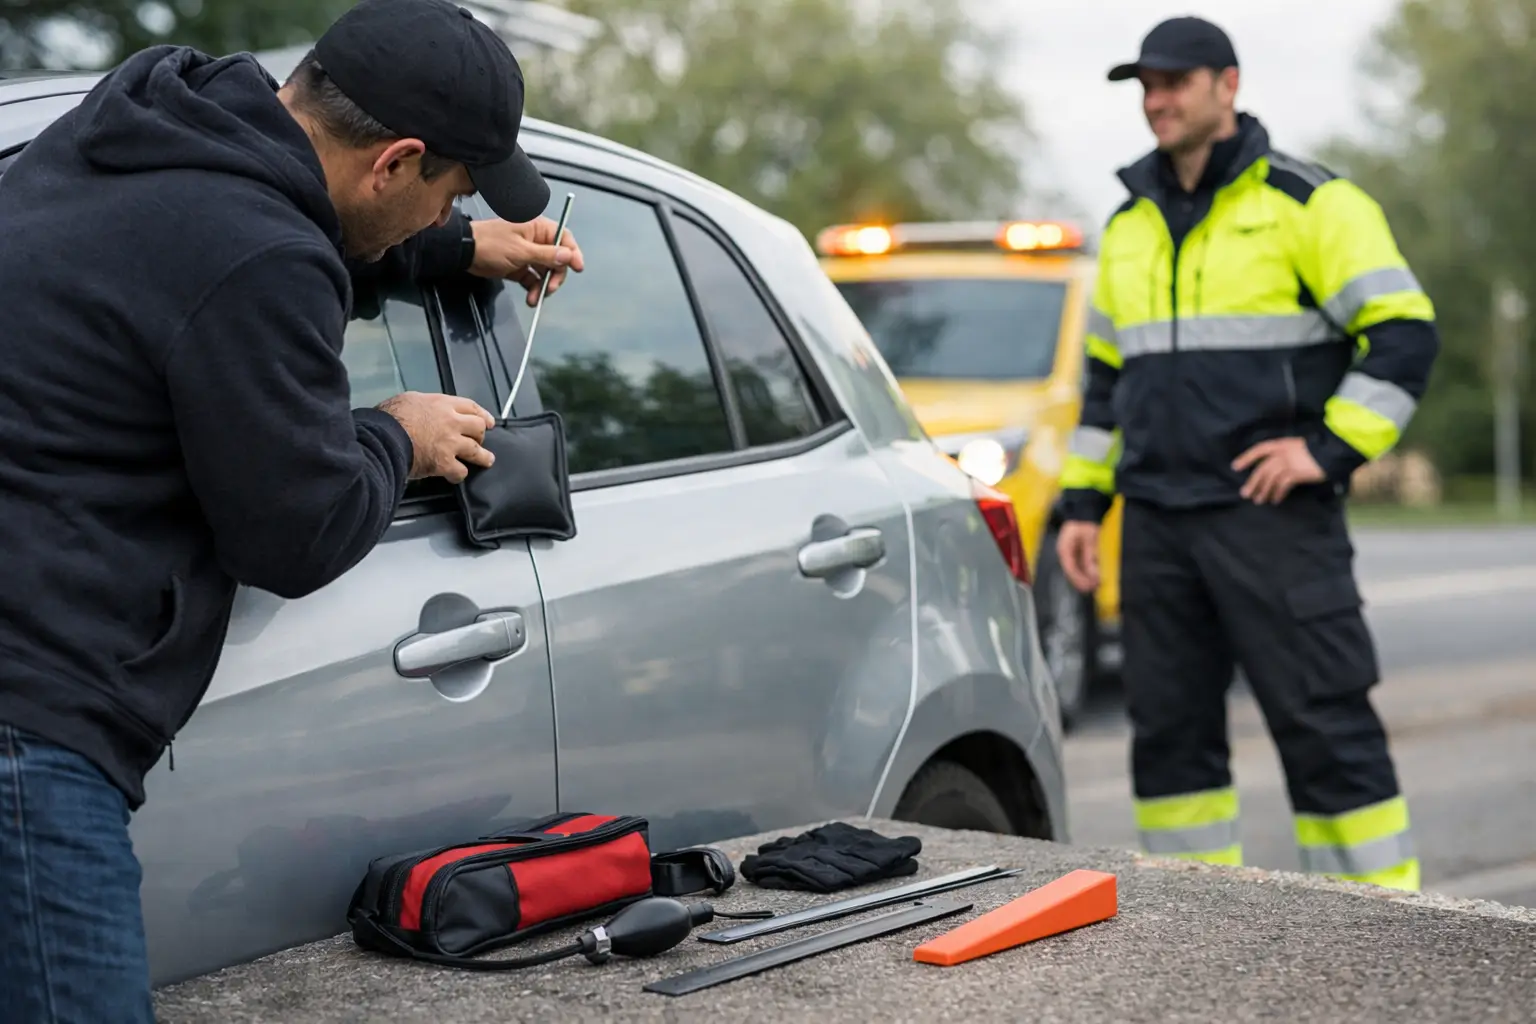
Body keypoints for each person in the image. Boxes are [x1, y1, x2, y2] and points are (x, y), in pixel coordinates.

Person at [0, 0, 585, 1019]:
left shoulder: (140, 123)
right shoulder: (262, 260)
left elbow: (202, 255)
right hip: (29, 720)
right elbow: (296, 528)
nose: (447, 213)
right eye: (445, 193)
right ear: (393, 162)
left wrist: (446, 250)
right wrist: (397, 436)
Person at [1057, 16, 1438, 894]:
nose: (1156, 101)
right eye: (1144, 86)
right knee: (1169, 736)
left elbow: (1406, 336)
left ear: (1227, 85)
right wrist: (1083, 506)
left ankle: (1381, 926)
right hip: (1156, 524)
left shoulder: (1311, 203)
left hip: (1272, 520)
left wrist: (1329, 447)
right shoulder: (1127, 225)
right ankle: (1196, 924)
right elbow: (1107, 385)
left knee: (1324, 725)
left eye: (1174, 83)